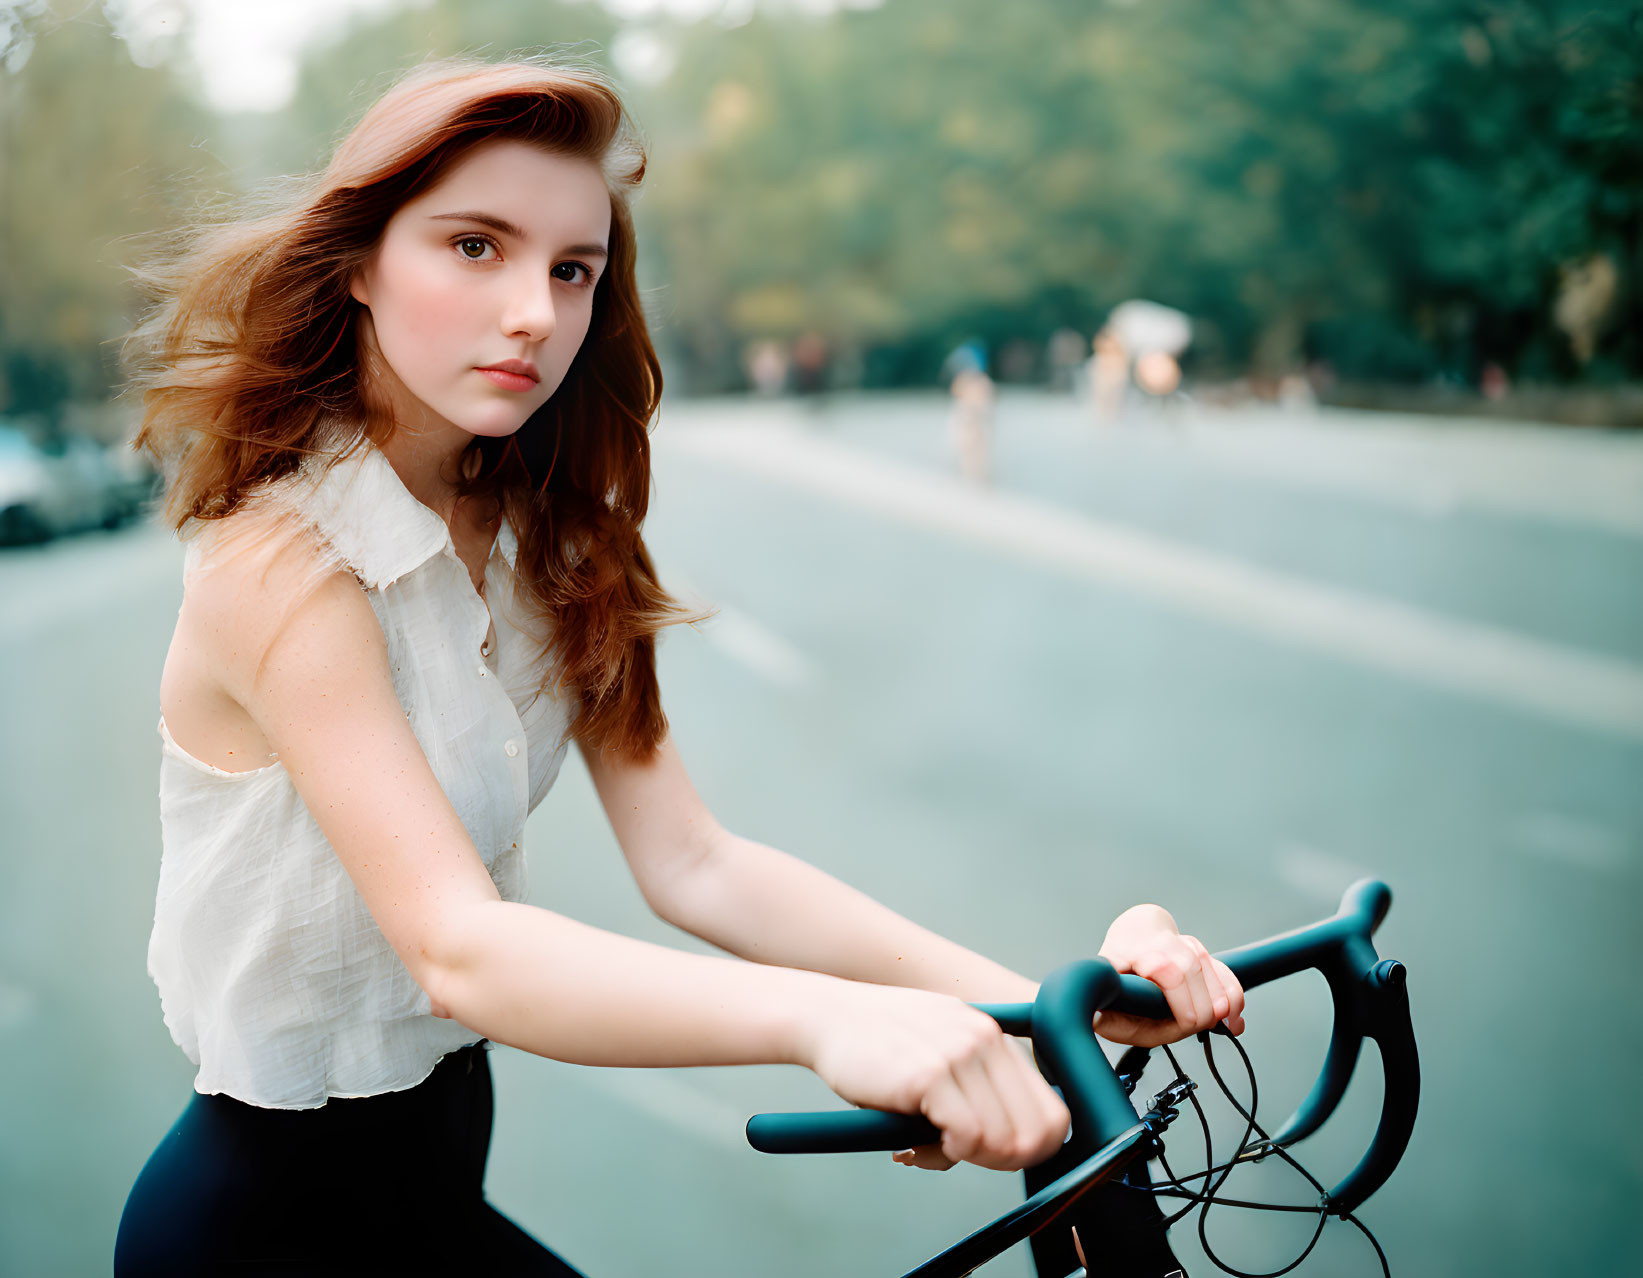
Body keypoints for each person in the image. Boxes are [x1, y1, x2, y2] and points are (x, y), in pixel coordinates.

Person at [112, 54, 1245, 1276]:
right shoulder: (280, 560)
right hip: (255, 1231)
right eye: (474, 247)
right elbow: (460, 948)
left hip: (437, 1189)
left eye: (571, 270)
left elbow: (695, 862)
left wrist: (1042, 1014)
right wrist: (825, 1020)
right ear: (356, 263)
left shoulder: (562, 533)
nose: (535, 313)